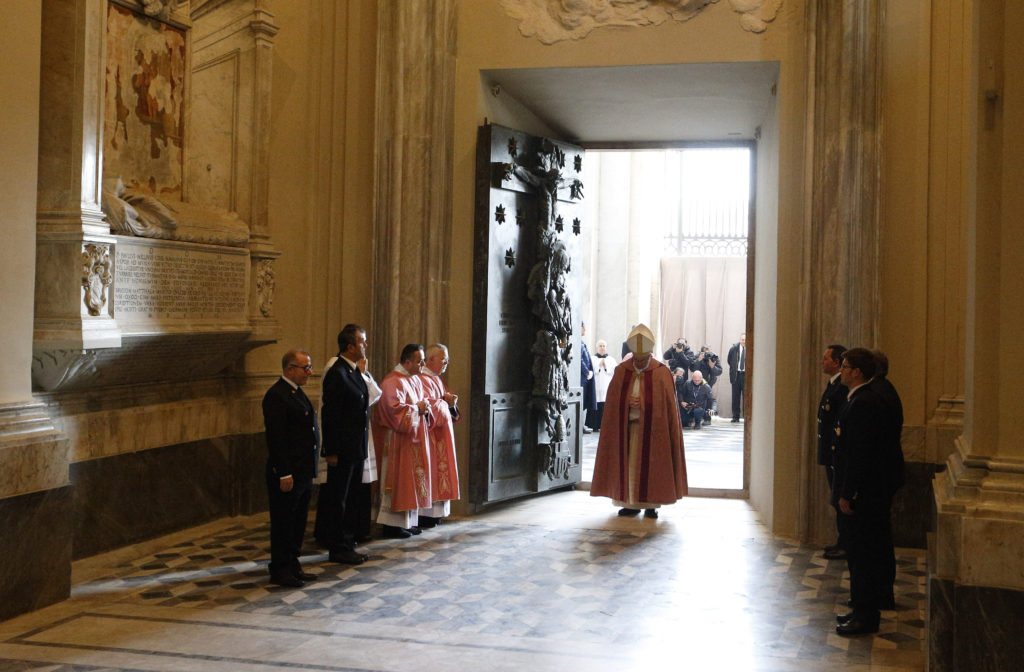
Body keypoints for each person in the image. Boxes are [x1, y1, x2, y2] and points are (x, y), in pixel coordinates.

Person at [832, 347, 904, 636]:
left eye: (845, 366)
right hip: (872, 487)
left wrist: (849, 493)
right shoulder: (866, 397)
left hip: (866, 490)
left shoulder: (864, 403)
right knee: (866, 551)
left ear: (857, 372)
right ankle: (862, 607)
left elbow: (860, 455)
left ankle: (865, 615)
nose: (842, 371)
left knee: (862, 553)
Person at [591, 324, 687, 519]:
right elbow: (612, 404)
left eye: (644, 359)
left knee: (654, 466)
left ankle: (652, 504)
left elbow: (665, 407)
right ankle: (630, 504)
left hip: (654, 432)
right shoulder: (621, 371)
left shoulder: (661, 373)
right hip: (627, 430)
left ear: (649, 354)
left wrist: (643, 402)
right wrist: (627, 403)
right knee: (629, 468)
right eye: (637, 358)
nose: (640, 362)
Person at [314, 325, 372, 565]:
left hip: (355, 448)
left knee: (352, 497)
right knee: (340, 498)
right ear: (350, 346)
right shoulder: (337, 372)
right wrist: (332, 451)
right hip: (343, 449)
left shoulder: (353, 371)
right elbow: (331, 415)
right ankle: (338, 546)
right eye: (362, 342)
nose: (365, 346)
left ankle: (347, 543)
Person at [262, 349, 320, 587]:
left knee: (297, 521)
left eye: (309, 366)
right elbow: (277, 438)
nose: (309, 372)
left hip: (303, 471)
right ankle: (280, 568)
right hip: (288, 472)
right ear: (289, 369)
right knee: (284, 522)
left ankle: (293, 563)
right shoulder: (277, 395)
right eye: (305, 367)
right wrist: (284, 472)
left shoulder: (296, 393)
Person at [374, 343, 434, 539]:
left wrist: (423, 407)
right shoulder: (392, 381)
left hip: (412, 440)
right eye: (420, 360)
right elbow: (394, 411)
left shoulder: (412, 379)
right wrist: (417, 408)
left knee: (411, 482)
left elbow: (421, 404)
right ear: (407, 361)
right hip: (397, 442)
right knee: (399, 483)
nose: (423, 364)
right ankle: (392, 525)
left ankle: (407, 522)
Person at [417, 343, 461, 528]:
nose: (447, 362)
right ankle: (426, 515)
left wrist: (450, 404)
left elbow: (442, 406)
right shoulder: (422, 379)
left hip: (441, 437)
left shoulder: (435, 379)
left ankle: (436, 515)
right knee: (432, 474)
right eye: (444, 359)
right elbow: (426, 406)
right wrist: (444, 403)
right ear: (430, 359)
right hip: (431, 438)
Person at [817, 344, 848, 560]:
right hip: (830, 452)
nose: (822, 362)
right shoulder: (833, 385)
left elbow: (838, 423)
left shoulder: (841, 388)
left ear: (836, 362)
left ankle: (845, 543)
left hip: (836, 454)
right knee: (836, 498)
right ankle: (841, 541)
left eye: (825, 358)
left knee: (840, 499)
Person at [590, 339, 615, 430]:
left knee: (605, 404)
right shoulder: (593, 358)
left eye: (604, 346)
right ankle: (594, 425)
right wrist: (598, 366)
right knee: (595, 403)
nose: (602, 348)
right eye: (600, 346)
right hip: (596, 385)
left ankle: (605, 425)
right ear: (597, 347)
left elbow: (614, 371)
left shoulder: (611, 359)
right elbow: (591, 370)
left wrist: (606, 366)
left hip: (606, 384)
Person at [580, 322, 597, 433]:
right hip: (581, 378)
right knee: (581, 401)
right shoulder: (578, 343)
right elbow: (579, 360)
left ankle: (582, 424)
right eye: (583, 328)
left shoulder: (581, 342)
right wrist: (586, 372)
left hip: (585, 378)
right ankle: (580, 425)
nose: (585, 330)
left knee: (585, 401)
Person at [727, 333, 747, 422]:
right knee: (735, 397)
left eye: (745, 340)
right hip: (736, 375)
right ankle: (735, 417)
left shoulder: (751, 348)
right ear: (740, 340)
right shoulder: (733, 349)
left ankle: (747, 417)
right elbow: (729, 360)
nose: (744, 341)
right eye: (742, 339)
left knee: (746, 397)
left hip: (746, 375)